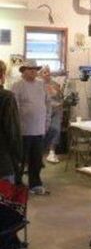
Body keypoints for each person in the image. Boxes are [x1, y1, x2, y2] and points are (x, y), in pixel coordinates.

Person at [12, 59, 51, 195]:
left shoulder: (41, 85)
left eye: (35, 69)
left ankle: (35, 184)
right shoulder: (17, 85)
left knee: (36, 159)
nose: (33, 71)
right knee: (21, 159)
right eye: (30, 69)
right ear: (23, 70)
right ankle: (17, 184)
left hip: (39, 129)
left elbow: (47, 104)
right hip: (23, 130)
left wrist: (47, 122)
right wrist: (16, 127)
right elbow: (14, 107)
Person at [0, 60, 22, 184]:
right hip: (3, 162)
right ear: (2, 75)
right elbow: (13, 131)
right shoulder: (6, 97)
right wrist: (18, 156)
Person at [40, 66, 63, 163]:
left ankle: (52, 152)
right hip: (43, 111)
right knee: (42, 131)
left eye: (48, 72)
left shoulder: (55, 84)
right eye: (45, 72)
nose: (47, 74)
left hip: (56, 110)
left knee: (56, 129)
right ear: (40, 74)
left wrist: (56, 92)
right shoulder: (38, 85)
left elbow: (60, 97)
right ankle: (39, 153)